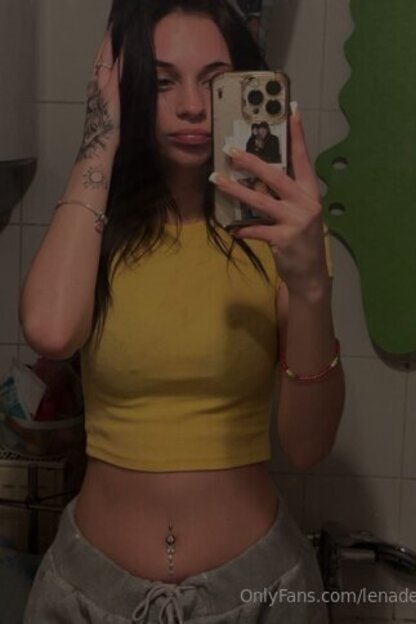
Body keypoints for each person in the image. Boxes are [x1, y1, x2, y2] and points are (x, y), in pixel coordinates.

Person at [20, 1, 345, 622]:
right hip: (88, 596)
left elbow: (308, 446)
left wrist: (310, 288)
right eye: (162, 82)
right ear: (129, 90)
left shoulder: (284, 234)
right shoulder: (93, 228)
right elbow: (50, 331)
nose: (193, 106)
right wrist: (100, 134)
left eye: (214, 82)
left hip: (258, 593)